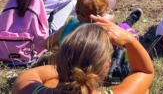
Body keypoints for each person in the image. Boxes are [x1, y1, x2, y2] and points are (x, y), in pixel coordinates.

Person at [11, 19, 154, 94]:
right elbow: (144, 71)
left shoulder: (29, 90)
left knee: (51, 81)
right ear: (106, 66)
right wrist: (129, 39)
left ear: (59, 59)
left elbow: (30, 75)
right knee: (143, 89)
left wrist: (68, 66)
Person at [45, 0, 141, 49]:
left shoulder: (66, 29)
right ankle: (128, 23)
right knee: (123, 27)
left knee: (74, 20)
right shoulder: (108, 35)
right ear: (101, 15)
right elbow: (134, 44)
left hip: (67, 66)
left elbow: (46, 44)